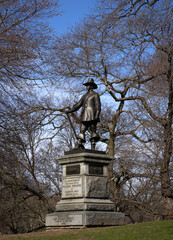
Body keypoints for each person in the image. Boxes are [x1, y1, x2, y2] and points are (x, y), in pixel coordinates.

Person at [66, 78, 101, 150]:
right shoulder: (84, 96)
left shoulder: (95, 95)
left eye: (88, 85)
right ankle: (79, 143)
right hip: (85, 114)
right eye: (86, 85)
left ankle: (93, 146)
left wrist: (97, 115)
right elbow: (78, 104)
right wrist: (70, 111)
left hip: (92, 114)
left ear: (92, 86)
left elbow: (98, 106)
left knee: (93, 129)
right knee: (82, 129)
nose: (87, 86)